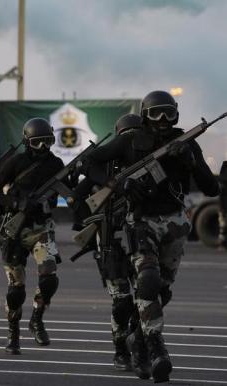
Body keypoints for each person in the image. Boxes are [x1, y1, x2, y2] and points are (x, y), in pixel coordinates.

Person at [82, 91, 220, 383]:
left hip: (174, 225)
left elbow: (211, 188)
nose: (162, 120)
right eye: (156, 113)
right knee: (147, 280)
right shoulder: (130, 141)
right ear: (145, 115)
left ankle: (138, 338)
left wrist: (190, 162)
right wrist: (119, 186)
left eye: (168, 113)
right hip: (140, 221)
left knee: (162, 292)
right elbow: (89, 162)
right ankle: (155, 349)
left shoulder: (187, 144)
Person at [0, 118, 64, 354]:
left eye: (47, 142)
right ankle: (13, 332)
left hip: (42, 228)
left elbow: (70, 188)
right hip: (15, 230)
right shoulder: (16, 162)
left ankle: (37, 318)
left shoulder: (56, 163)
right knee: (15, 289)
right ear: (28, 142)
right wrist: (17, 203)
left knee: (49, 278)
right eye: (38, 143)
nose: (43, 148)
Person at [72, 113, 143, 370]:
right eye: (127, 135)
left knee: (148, 295)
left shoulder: (148, 163)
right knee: (122, 300)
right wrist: (93, 220)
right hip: (111, 237)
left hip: (142, 236)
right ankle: (120, 349)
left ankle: (139, 340)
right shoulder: (105, 167)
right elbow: (76, 200)